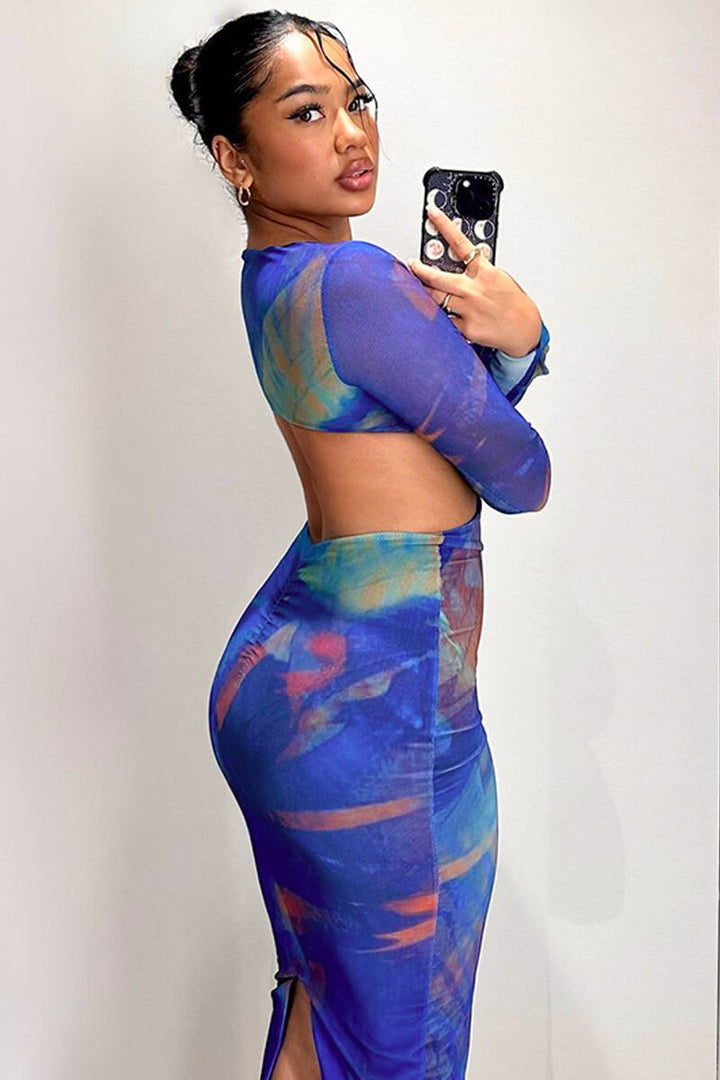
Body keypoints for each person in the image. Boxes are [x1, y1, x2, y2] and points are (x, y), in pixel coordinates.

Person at [170, 11, 551, 1079]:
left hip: (312, 684)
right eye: (308, 112)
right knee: (400, 1051)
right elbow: (520, 473)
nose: (352, 133)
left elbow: (443, 444)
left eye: (358, 100)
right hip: (379, 711)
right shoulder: (361, 285)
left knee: (324, 1028)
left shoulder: (277, 276)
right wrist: (525, 337)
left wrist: (477, 356)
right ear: (234, 158)